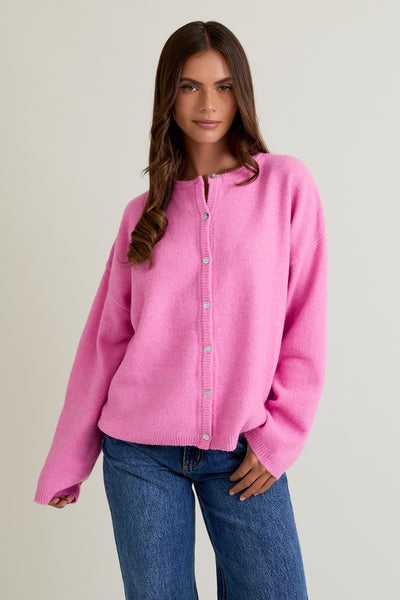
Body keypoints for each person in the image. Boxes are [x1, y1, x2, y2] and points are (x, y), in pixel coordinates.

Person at [34, 20, 327, 600]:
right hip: (140, 455)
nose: (208, 104)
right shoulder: (142, 213)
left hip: (244, 450)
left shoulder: (285, 186)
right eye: (190, 86)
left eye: (223, 87)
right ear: (168, 96)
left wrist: (280, 437)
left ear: (241, 94)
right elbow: (106, 342)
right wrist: (69, 459)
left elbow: (305, 323)